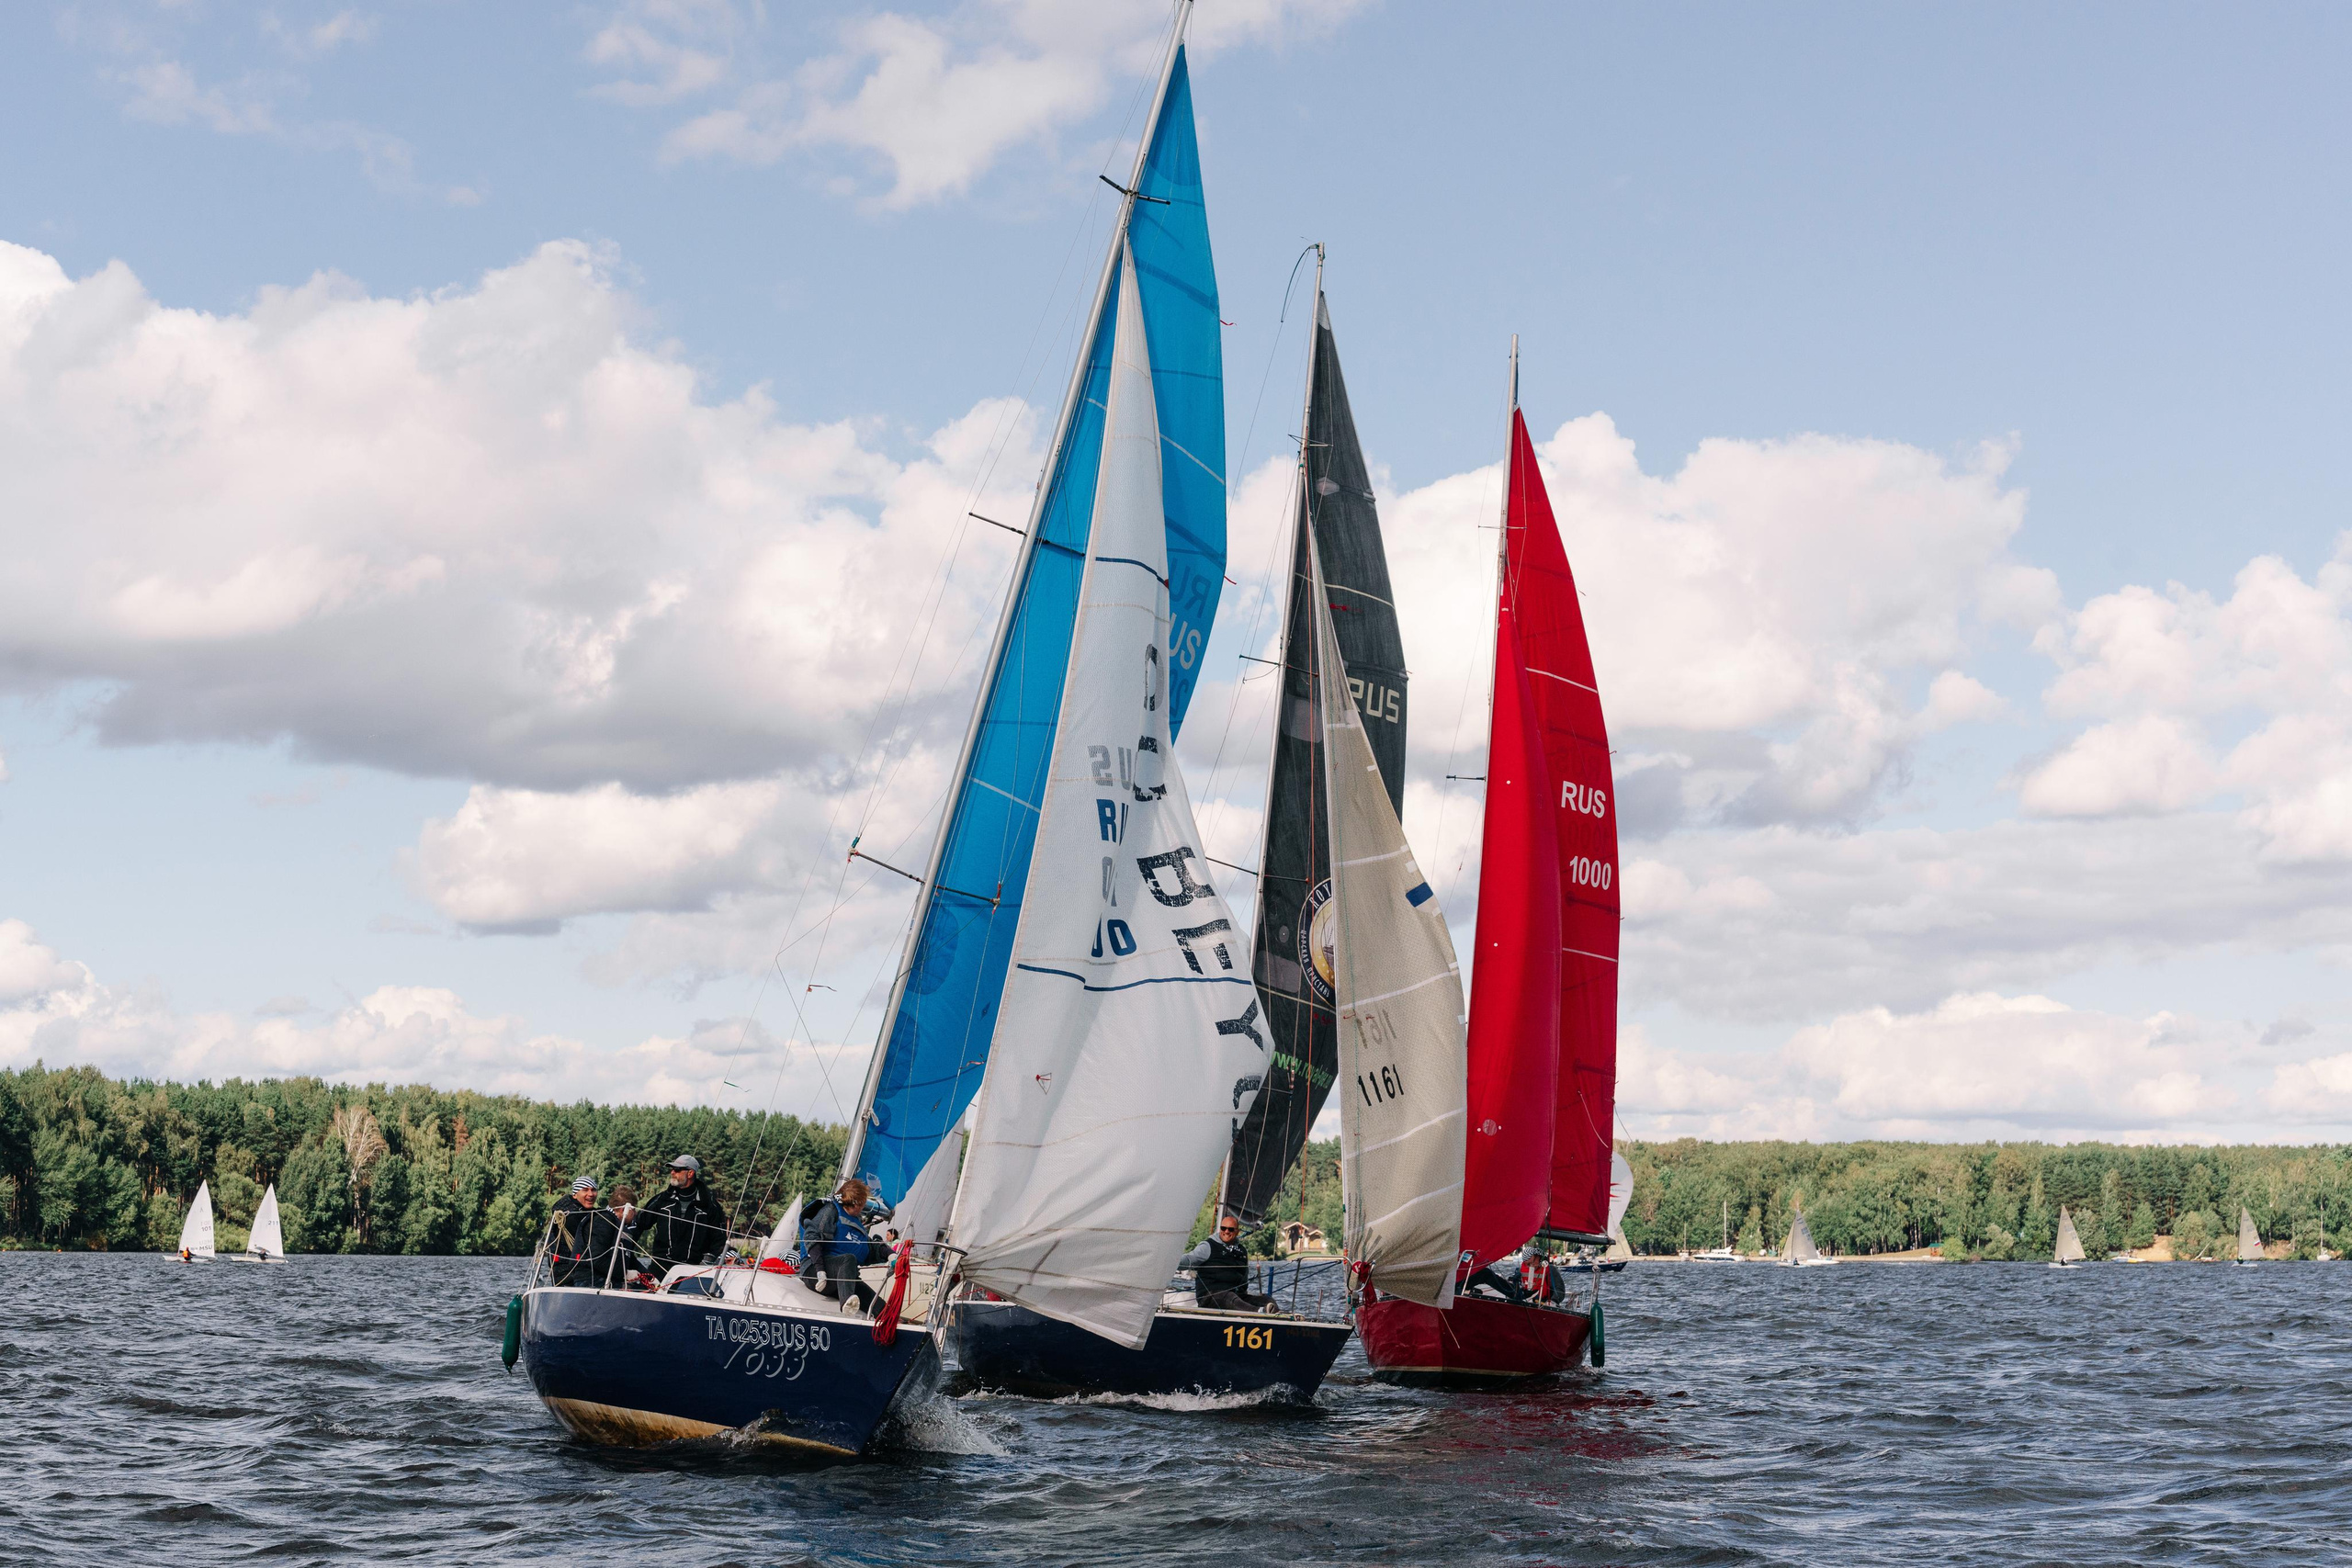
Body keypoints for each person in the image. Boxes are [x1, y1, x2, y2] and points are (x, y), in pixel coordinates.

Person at [631, 1156, 729, 1272]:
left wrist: (707, 1262)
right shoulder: (662, 1200)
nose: (672, 1172)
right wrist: (627, 1255)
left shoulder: (709, 1205)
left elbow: (719, 1241)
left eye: (677, 1170)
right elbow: (638, 1224)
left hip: (693, 1271)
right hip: (660, 1269)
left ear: (690, 1173)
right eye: (672, 1169)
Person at [800, 1179, 880, 1314]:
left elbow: (871, 1248)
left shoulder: (855, 1221)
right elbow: (812, 1237)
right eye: (861, 1204)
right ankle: (846, 1304)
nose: (862, 1208)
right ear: (853, 1202)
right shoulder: (830, 1211)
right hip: (815, 1271)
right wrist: (820, 1271)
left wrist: (892, 1255)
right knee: (848, 1259)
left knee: (880, 1307)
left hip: (840, 1277)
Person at [1180, 1215, 1276, 1314]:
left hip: (1236, 1296)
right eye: (1223, 1228)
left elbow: (1244, 1276)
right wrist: (1170, 1263)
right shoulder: (1207, 1246)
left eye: (1230, 1229)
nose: (1226, 1231)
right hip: (1209, 1297)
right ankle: (1258, 1312)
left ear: (1237, 1231)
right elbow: (1189, 1259)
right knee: (1229, 1297)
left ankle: (1279, 1318)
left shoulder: (1242, 1251)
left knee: (1266, 1300)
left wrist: (1244, 1293)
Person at [548, 1175, 601, 1286]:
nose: (590, 1194)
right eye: (585, 1190)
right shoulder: (570, 1214)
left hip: (582, 1271)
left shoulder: (589, 1213)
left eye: (593, 1190)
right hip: (567, 1272)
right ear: (575, 1195)